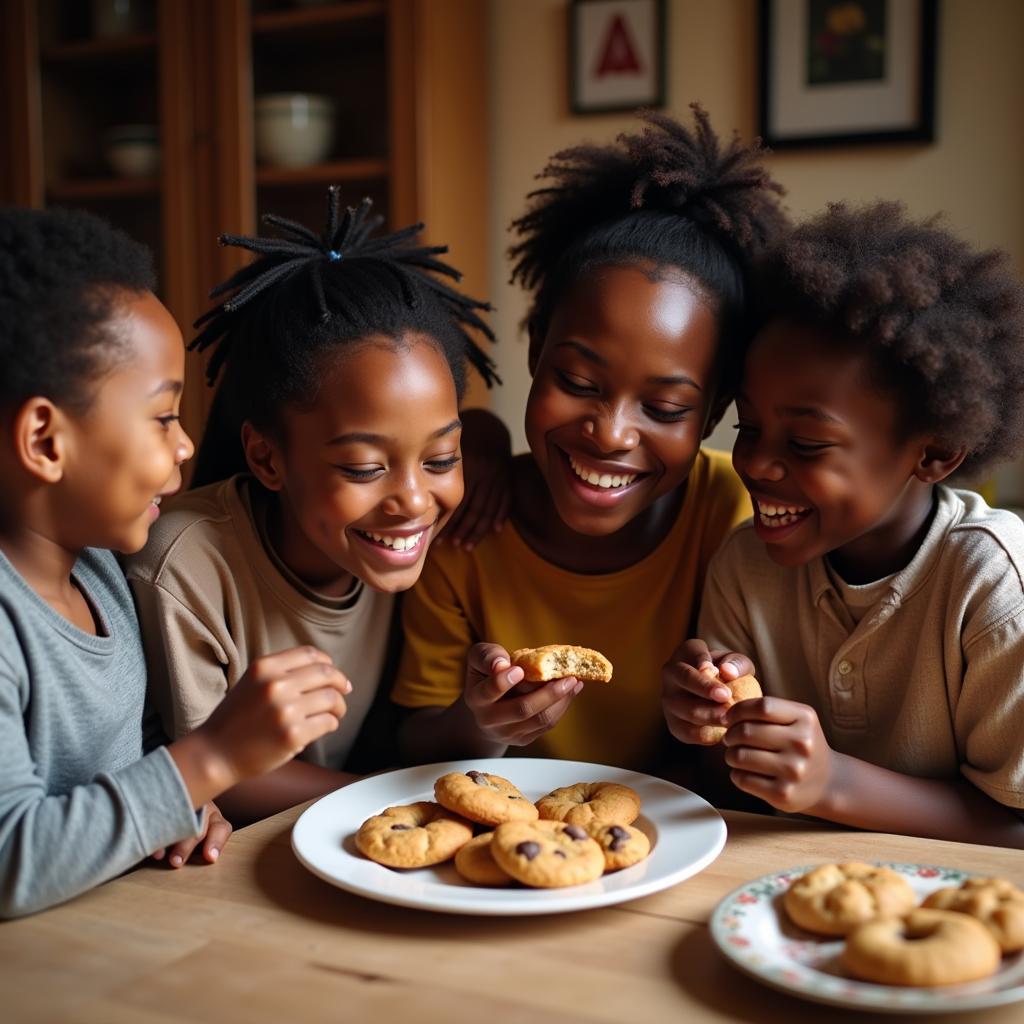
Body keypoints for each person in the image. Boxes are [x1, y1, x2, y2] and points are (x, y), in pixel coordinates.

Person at [392, 106, 789, 772]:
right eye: (578, 381)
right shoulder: (465, 526)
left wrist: (717, 712)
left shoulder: (732, 514)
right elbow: (409, 741)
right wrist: (481, 721)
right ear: (535, 349)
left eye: (664, 407)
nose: (609, 433)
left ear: (715, 412)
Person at [0, 207, 352, 917]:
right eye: (163, 416)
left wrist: (188, 809)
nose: (187, 444)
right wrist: (212, 760)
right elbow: (11, 861)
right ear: (45, 439)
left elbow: (138, 758)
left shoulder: (100, 572)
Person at [126, 190, 500, 823]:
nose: (413, 500)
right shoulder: (184, 566)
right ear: (268, 459)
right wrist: (400, 800)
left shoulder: (420, 540)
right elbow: (222, 774)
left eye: (441, 459)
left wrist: (485, 718)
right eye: (363, 469)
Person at [662, 201, 1024, 847]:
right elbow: (726, 787)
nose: (757, 463)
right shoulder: (745, 565)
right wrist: (710, 724)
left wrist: (834, 785)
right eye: (748, 427)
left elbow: (1014, 830)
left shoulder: (993, 585)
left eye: (806, 444)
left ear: (934, 453)